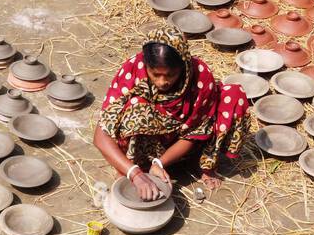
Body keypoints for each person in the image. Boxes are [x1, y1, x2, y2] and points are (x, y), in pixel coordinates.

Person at [94, 24, 250, 201]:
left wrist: (160, 163)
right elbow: (101, 136)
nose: (162, 82)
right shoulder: (133, 72)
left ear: (183, 66)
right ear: (146, 65)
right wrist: (134, 173)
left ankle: (197, 164)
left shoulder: (200, 77)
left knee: (232, 96)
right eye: (155, 74)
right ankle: (134, 164)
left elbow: (194, 134)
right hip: (145, 145)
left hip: (183, 142)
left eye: (170, 75)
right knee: (136, 106)